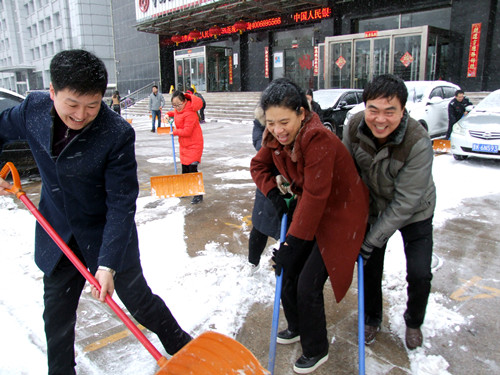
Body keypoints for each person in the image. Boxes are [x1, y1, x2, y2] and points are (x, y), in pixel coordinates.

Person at [0, 49, 192, 374]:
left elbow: (121, 201)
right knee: (57, 316)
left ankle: (183, 346)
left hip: (107, 235)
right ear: (52, 92)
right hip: (58, 232)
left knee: (139, 302)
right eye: (72, 104)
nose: (80, 115)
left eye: (92, 105)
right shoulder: (33, 109)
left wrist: (107, 265)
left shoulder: (115, 132)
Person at [251, 78, 369, 374]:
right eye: (271, 122)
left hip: (340, 215)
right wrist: (273, 192)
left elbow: (317, 196)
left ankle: (317, 349)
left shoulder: (319, 140)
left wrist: (293, 244)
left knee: (307, 284)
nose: (278, 130)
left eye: (285, 121)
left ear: (302, 113)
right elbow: (258, 166)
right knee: (287, 270)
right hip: (310, 211)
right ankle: (298, 326)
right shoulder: (275, 137)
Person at [343, 74, 436, 350]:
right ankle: (372, 317)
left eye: (389, 111)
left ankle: (414, 321)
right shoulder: (354, 127)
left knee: (420, 273)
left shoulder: (417, 142)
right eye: (373, 109)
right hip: (373, 206)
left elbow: (406, 202)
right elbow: (346, 174)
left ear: (403, 110)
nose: (379, 119)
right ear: (365, 107)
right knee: (370, 267)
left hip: (415, 211)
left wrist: (372, 239)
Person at [248, 105, 281, 272]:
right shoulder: (262, 120)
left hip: (292, 185)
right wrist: (275, 146)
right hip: (268, 182)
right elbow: (258, 142)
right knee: (260, 227)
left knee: (291, 232)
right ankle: (252, 263)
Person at [167, 90, 204, 204]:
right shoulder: (180, 110)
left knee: (192, 170)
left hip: (194, 145)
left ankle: (198, 194)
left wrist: (175, 132)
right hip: (184, 145)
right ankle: (185, 190)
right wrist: (168, 114)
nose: (177, 107)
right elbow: (175, 113)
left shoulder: (190, 113)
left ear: (185, 102)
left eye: (179, 105)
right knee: (185, 170)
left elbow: (187, 131)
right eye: (174, 105)